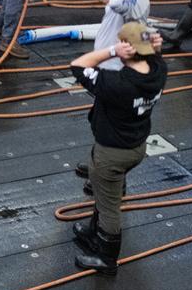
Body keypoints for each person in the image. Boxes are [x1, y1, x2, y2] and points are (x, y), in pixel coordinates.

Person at [69, 22, 167, 275]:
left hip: (112, 153)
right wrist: (152, 49)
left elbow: (78, 65)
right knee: (105, 193)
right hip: (135, 145)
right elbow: (154, 58)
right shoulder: (158, 70)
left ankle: (106, 258)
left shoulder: (116, 83)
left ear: (127, 49)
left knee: (110, 206)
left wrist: (112, 51)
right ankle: (94, 232)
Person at [73, 0, 150, 185]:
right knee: (98, 118)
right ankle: (99, 160)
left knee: (110, 123)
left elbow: (117, 4)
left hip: (117, 70)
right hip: (107, 66)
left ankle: (112, 177)